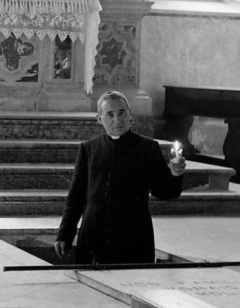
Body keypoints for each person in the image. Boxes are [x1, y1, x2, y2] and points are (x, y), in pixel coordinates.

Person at [54, 91, 186, 265]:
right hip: (94, 236)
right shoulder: (89, 149)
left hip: (133, 236)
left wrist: (175, 175)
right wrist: (65, 234)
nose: (117, 119)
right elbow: (76, 198)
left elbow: (165, 192)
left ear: (130, 114)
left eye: (122, 113)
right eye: (110, 114)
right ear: (99, 118)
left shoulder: (147, 148)